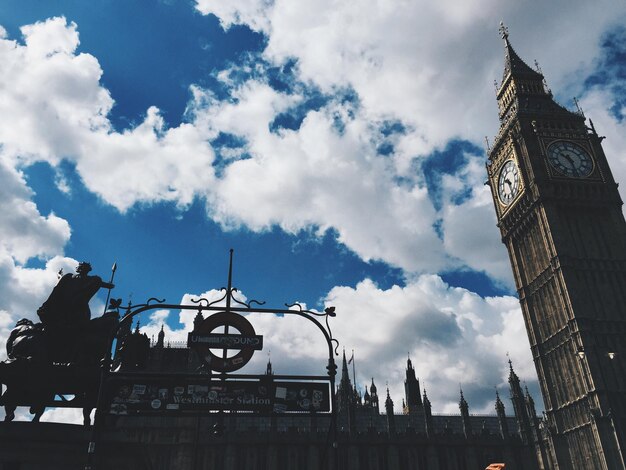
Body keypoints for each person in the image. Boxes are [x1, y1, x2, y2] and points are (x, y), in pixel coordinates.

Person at [37, 262, 114, 327]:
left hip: (78, 307)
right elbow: (57, 290)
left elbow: (101, 284)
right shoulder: (68, 277)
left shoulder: (92, 279)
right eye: (79, 266)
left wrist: (109, 285)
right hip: (64, 304)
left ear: (87, 270)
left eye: (83, 267)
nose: (80, 268)